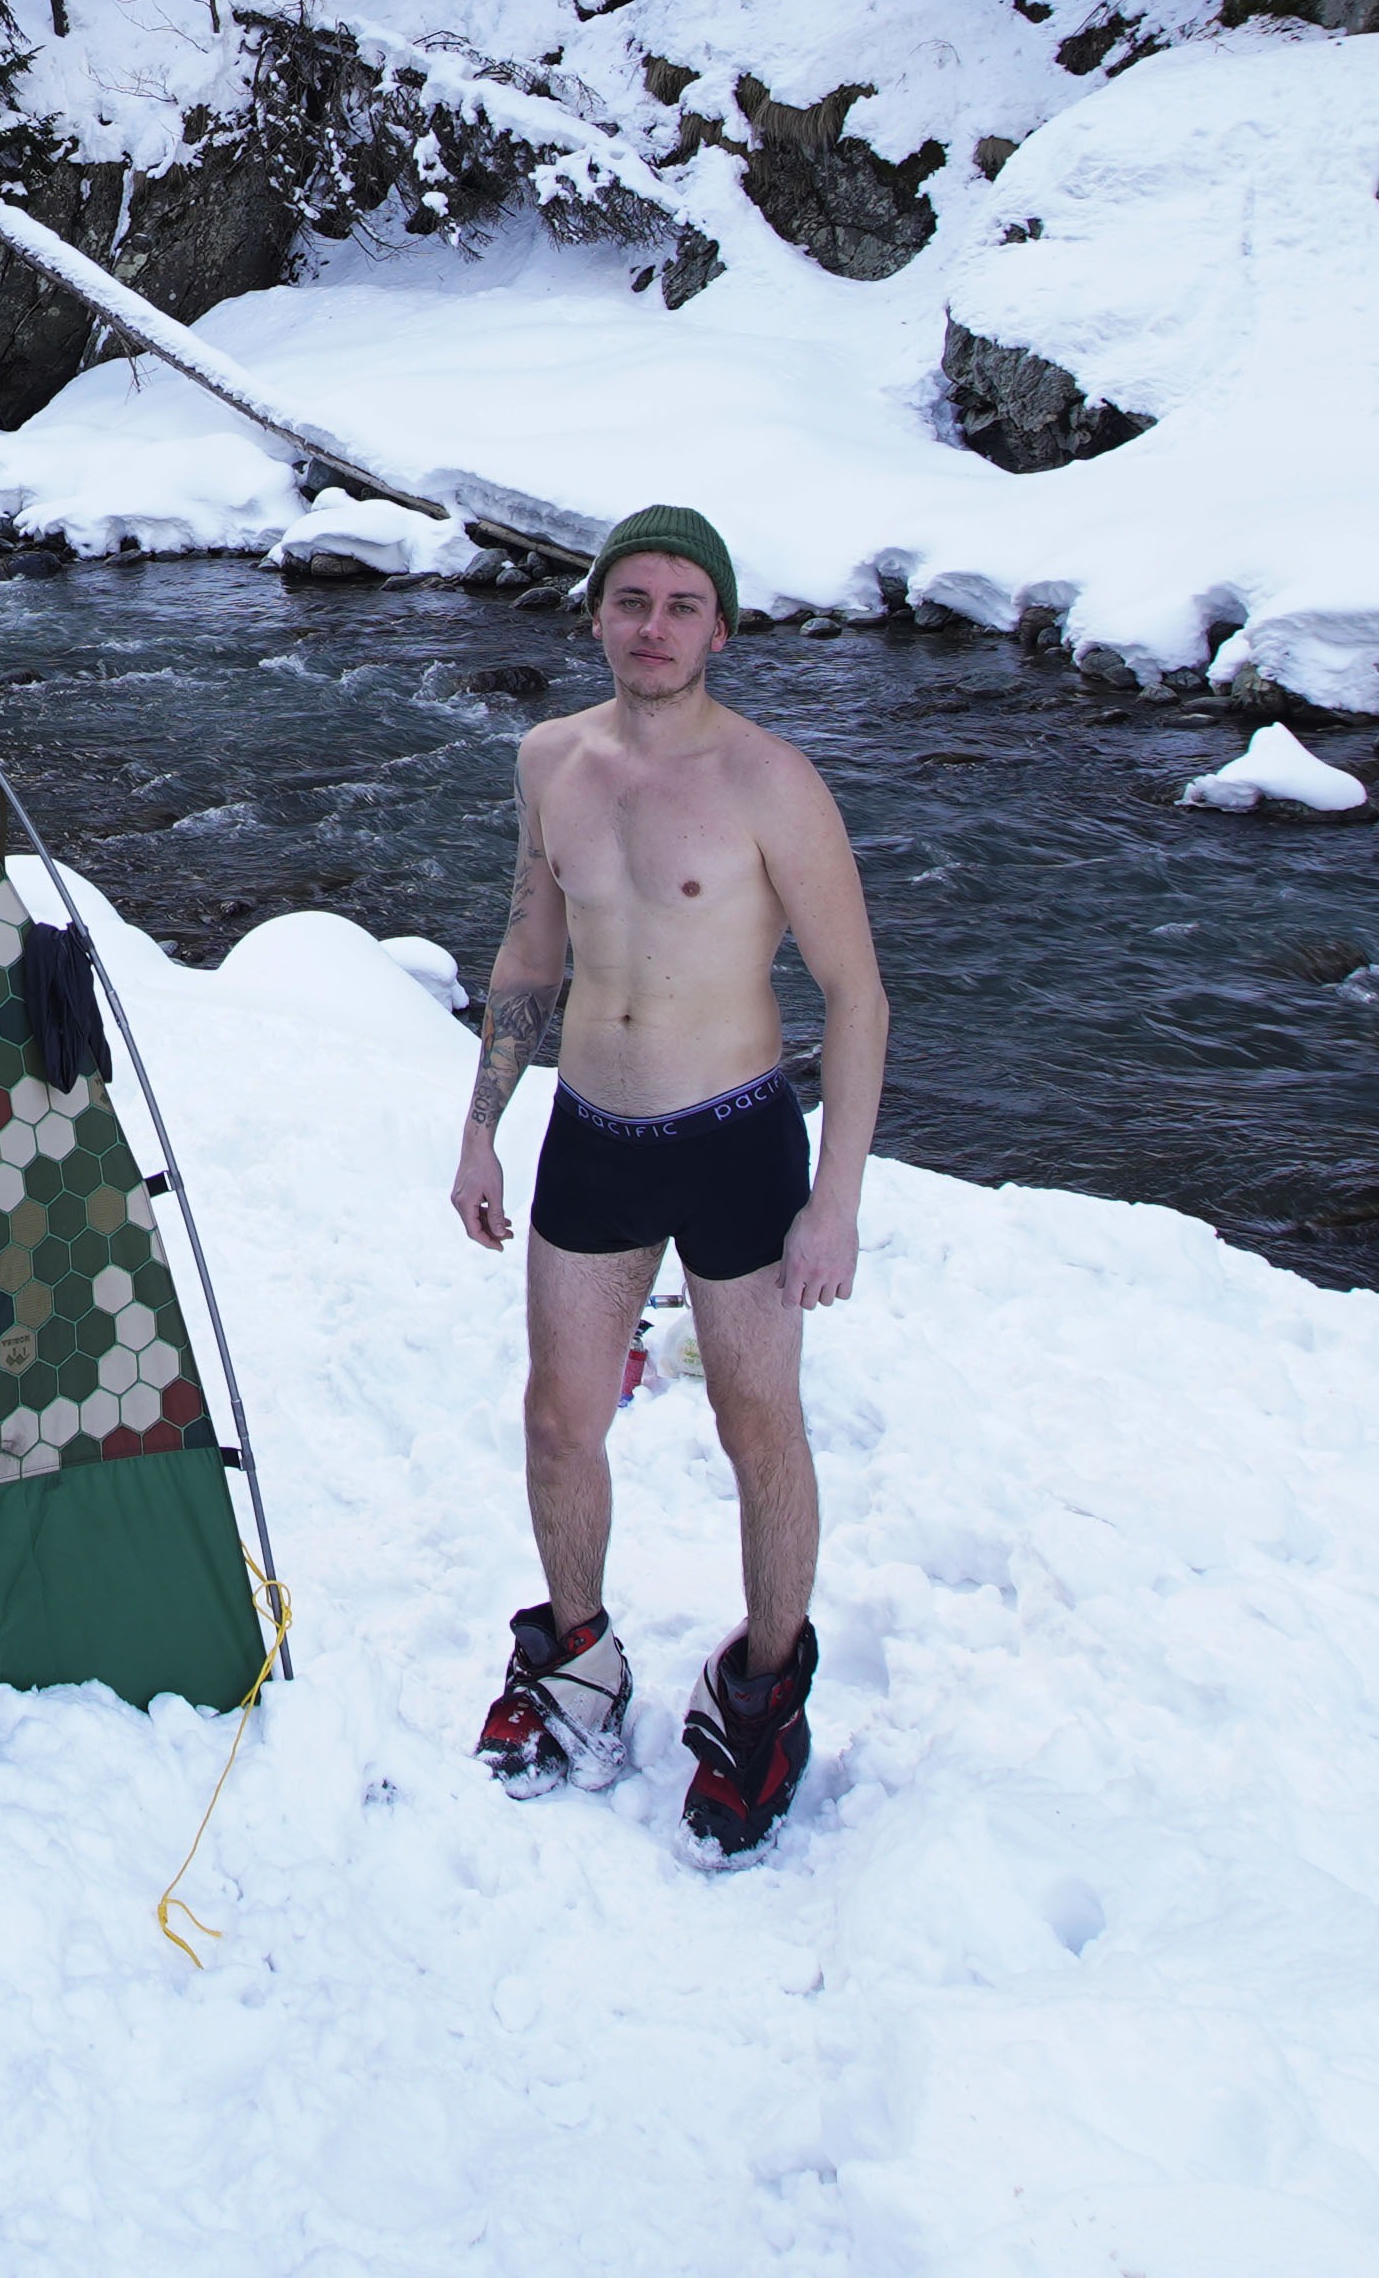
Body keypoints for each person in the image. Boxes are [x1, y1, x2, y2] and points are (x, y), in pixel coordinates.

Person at [448, 500, 888, 1856]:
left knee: (760, 1429)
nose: (654, 627)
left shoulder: (770, 781)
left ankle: (763, 1691)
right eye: (631, 600)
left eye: (682, 605)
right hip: (592, 1132)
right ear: (595, 614)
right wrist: (480, 1126)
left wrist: (836, 1202)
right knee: (558, 1422)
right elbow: (530, 957)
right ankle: (576, 1659)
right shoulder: (550, 762)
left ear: (720, 629)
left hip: (736, 1139)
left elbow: (858, 996)